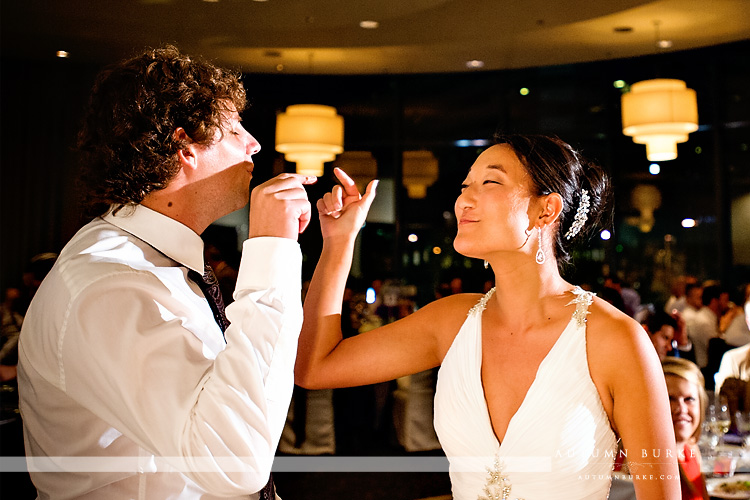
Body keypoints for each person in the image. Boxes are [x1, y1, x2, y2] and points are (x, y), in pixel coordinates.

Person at [296, 134, 680, 499]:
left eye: (490, 183)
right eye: (465, 186)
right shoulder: (451, 322)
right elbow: (315, 367)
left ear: (546, 209)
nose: (464, 200)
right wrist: (339, 242)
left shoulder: (614, 338)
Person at [17, 45, 316, 499]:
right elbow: (233, 463)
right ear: (185, 148)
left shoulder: (156, 260)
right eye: (234, 129)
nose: (254, 143)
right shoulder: (111, 283)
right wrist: (272, 250)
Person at [662, 358, 709, 500]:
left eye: (689, 399)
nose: (681, 409)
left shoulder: (691, 449)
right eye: (670, 398)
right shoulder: (651, 461)